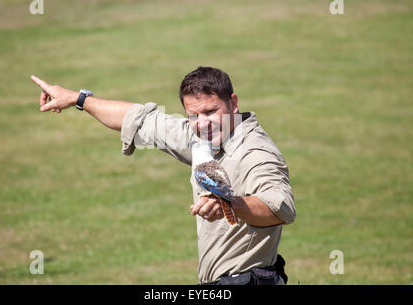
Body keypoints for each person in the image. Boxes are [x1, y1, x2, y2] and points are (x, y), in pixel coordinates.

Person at [31, 66, 296, 285]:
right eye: (194, 115)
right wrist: (78, 98)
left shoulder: (257, 152)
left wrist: (230, 205)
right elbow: (139, 119)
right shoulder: (202, 139)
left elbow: (281, 208)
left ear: (233, 103)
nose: (202, 123)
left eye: (211, 111)